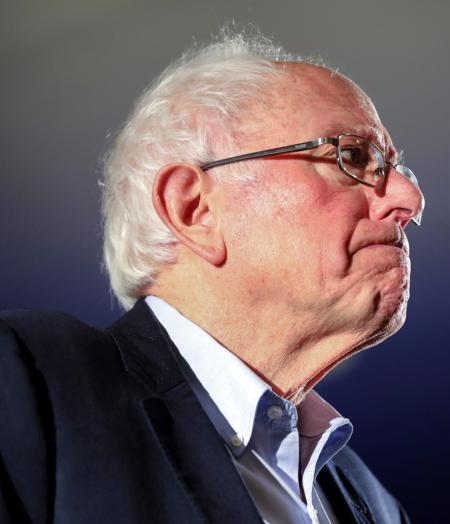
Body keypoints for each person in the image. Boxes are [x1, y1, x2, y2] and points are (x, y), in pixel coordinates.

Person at [0, 31, 424, 524]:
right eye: (351, 157)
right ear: (194, 209)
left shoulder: (375, 504)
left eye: (395, 168)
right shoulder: (29, 383)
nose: (409, 200)